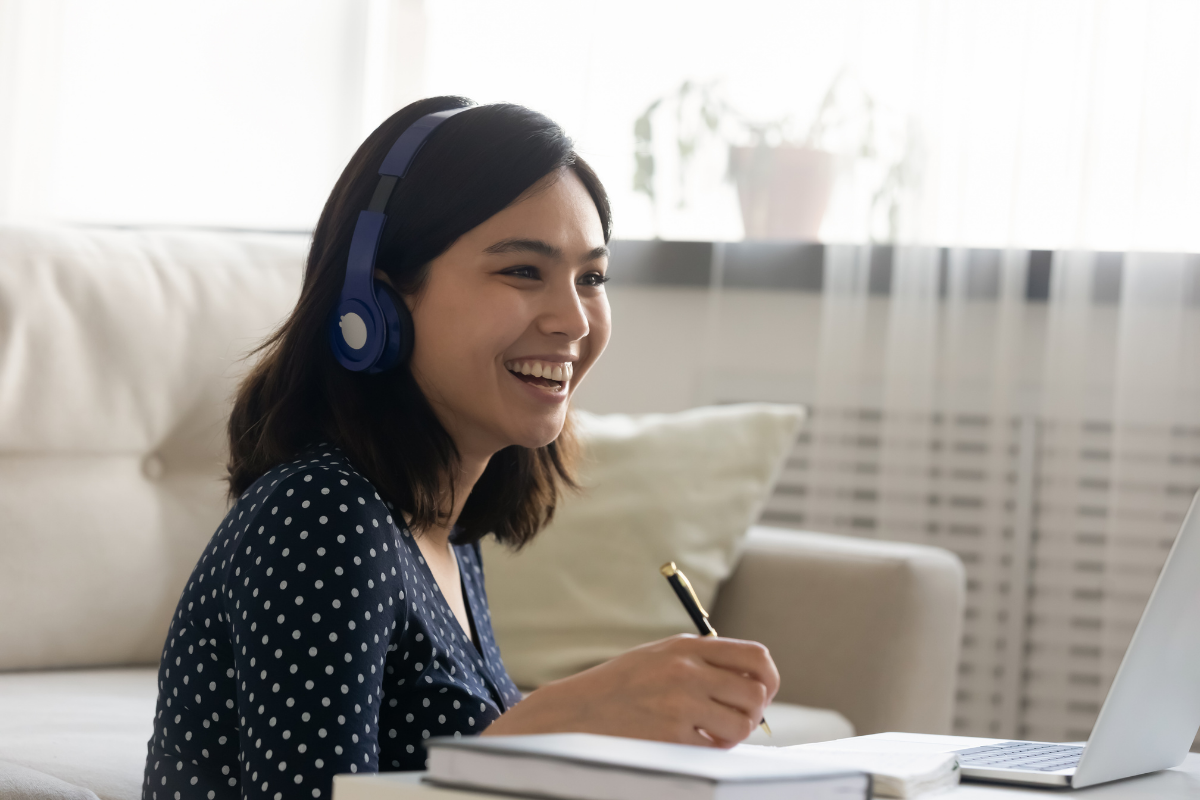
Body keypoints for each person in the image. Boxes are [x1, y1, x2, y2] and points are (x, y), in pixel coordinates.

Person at [143, 97, 779, 800]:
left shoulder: (443, 536)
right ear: (375, 304)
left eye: (591, 277)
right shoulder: (320, 516)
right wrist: (556, 723)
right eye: (522, 271)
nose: (572, 319)